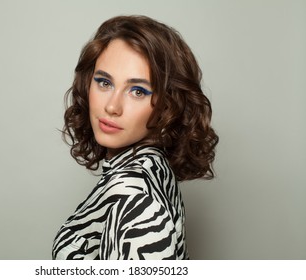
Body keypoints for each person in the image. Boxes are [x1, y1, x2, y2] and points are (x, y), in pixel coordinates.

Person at [52, 15, 218, 260]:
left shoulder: (134, 194)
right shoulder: (151, 167)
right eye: (104, 82)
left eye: (138, 91)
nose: (112, 106)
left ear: (167, 105)